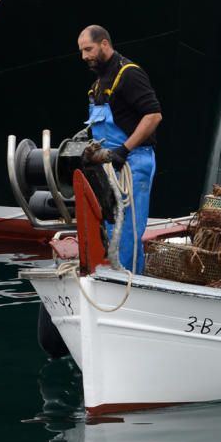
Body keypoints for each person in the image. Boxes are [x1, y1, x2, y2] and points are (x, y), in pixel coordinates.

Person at [79, 25, 162, 272]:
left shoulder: (128, 74)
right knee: (113, 225)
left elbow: (153, 116)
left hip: (133, 162)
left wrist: (124, 150)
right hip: (110, 165)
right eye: (81, 51)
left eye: (88, 49)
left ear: (105, 43)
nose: (84, 56)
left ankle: (128, 282)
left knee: (127, 228)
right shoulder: (98, 85)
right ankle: (122, 275)